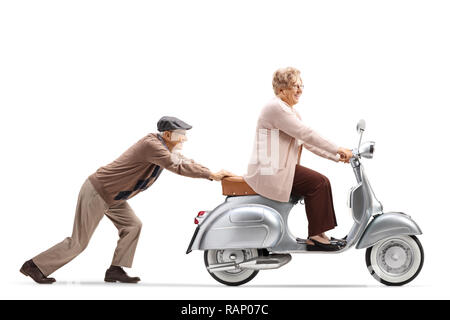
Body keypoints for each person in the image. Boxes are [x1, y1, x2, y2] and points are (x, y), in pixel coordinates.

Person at [20, 116, 233, 284]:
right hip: (98, 191)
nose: (184, 139)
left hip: (114, 196)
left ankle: (115, 270)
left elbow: (183, 160)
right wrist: (210, 175)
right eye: (181, 135)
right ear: (167, 134)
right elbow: (177, 165)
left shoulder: (164, 146)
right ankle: (35, 266)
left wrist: (211, 172)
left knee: (133, 225)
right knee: (79, 242)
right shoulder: (153, 146)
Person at [244, 67, 353, 251]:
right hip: (271, 171)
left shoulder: (288, 111)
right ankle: (316, 236)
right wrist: (338, 148)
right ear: (281, 90)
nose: (300, 90)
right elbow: (306, 133)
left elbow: (306, 142)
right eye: (295, 86)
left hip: (278, 169)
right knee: (319, 183)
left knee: (319, 182)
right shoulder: (277, 108)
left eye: (301, 85)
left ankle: (319, 234)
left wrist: (337, 156)